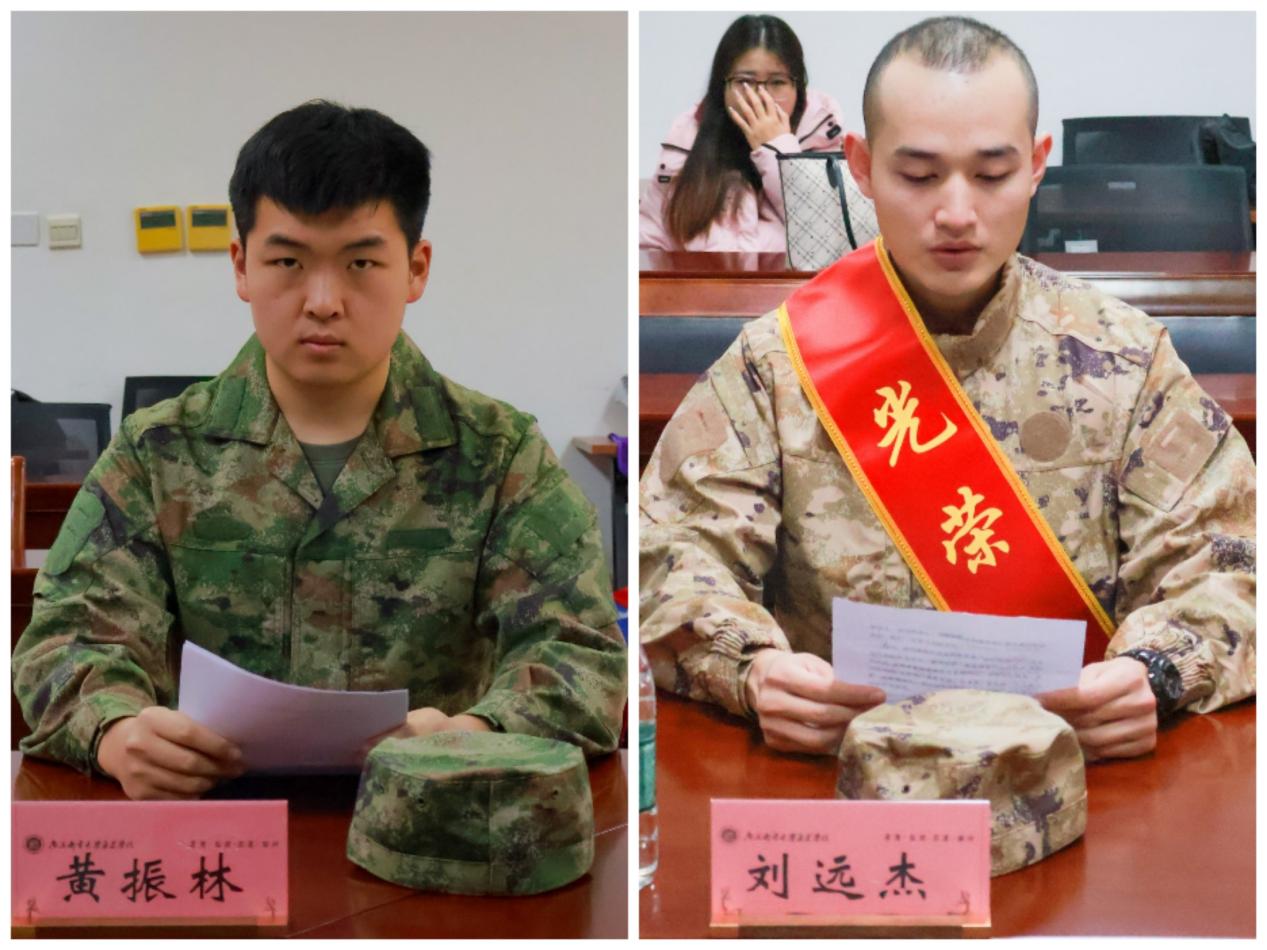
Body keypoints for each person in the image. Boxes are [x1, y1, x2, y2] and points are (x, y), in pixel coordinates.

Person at [639, 17, 1255, 759]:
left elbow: (1230, 559)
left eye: (992, 175)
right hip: (838, 775)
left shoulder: (1122, 357)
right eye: (919, 175)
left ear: (1037, 165)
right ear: (860, 166)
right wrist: (754, 670)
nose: (957, 213)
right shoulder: (778, 362)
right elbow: (669, 549)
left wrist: (1155, 672)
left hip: (1075, 770)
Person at [13, 101, 627, 800]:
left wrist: (471, 734)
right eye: (288, 262)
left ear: (416, 269)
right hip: (209, 821)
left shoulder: (500, 456)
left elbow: (582, 656)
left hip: (437, 823)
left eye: (361, 262)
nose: (324, 301)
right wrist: (116, 731)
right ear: (241, 267)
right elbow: (66, 638)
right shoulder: (158, 453)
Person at [639, 14, 848, 253]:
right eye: (744, 81)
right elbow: (649, 241)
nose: (760, 96)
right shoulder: (688, 141)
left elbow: (827, 239)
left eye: (777, 82)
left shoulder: (823, 140)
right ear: (723, 86)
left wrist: (777, 148)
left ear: (798, 88)